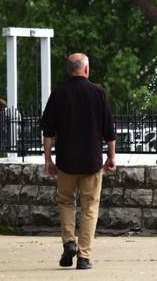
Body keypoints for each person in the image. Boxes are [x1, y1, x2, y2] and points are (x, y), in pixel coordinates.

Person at [40, 53, 116, 270]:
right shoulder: (98, 93)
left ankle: (69, 242)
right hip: (92, 162)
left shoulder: (59, 94)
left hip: (66, 161)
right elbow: (109, 130)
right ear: (86, 69)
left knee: (65, 202)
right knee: (90, 207)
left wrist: (48, 159)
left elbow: (48, 131)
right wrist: (111, 156)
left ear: (68, 70)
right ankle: (83, 257)